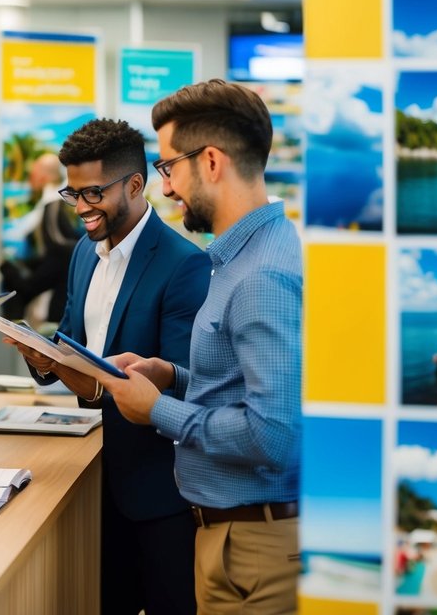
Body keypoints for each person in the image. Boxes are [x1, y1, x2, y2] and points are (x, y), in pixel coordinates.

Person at [96, 79, 303, 614]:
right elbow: (243, 387)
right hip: (233, 541)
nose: (165, 188)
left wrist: (158, 410)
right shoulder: (243, 255)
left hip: (252, 552)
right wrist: (172, 375)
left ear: (210, 161)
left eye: (168, 167)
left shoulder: (262, 275)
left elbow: (274, 433)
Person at [7, 119, 209, 615]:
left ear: (135, 186)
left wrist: (106, 384)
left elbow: (184, 382)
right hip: (89, 482)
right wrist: (44, 359)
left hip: (157, 496)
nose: (80, 208)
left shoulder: (183, 264)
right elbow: (75, 341)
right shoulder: (83, 253)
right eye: (71, 194)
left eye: (92, 193)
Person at [0, 152, 79, 324]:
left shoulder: (53, 209)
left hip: (59, 306)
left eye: (33, 175)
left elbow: (59, 252)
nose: (30, 180)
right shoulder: (57, 206)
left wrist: (6, 266)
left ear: (42, 177)